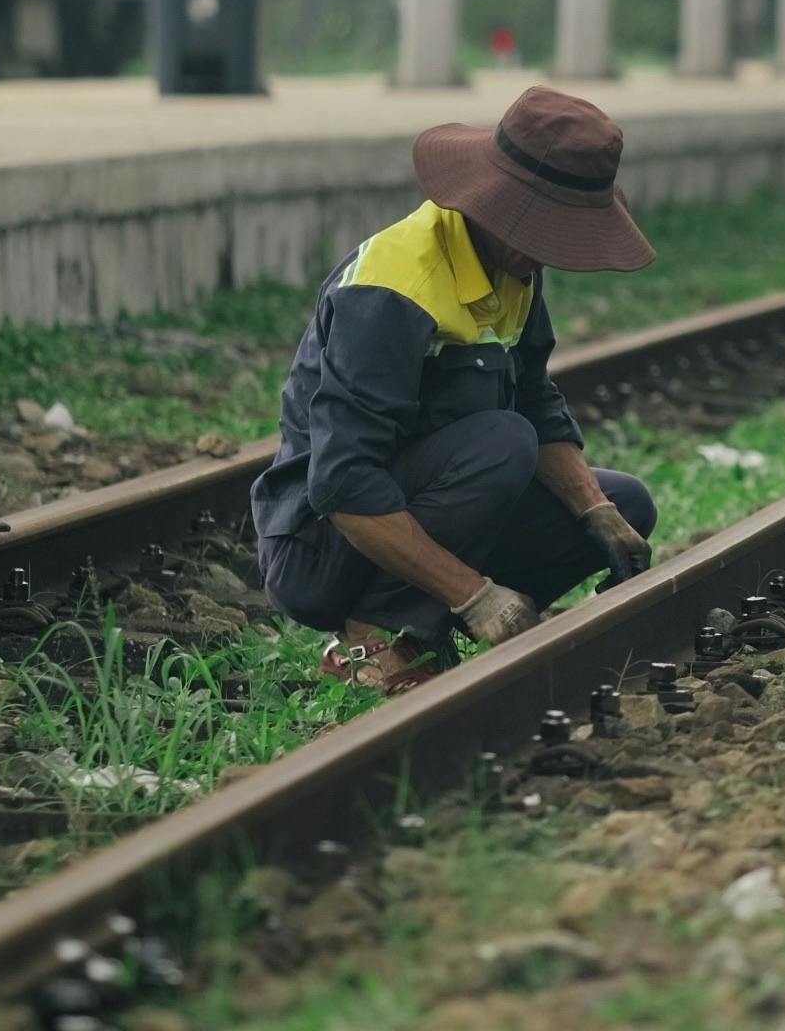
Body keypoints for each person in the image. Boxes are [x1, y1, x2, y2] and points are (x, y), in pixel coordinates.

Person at [251, 86, 660, 696]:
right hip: (322, 546)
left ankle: (419, 629)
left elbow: (535, 402)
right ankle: (372, 639)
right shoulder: (392, 291)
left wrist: (595, 509)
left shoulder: (515, 267)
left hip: (427, 503)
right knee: (502, 442)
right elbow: (343, 484)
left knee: (625, 501)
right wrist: (477, 597)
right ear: (511, 214)